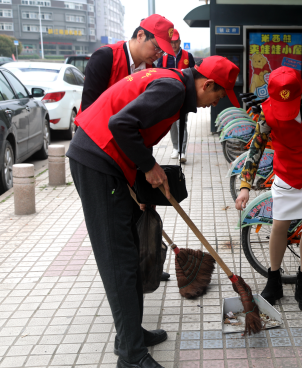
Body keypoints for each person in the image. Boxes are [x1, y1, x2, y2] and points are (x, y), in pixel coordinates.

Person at [67, 56, 240, 368]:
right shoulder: (172, 89)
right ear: (207, 84)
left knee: (130, 252)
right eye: (219, 96)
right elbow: (119, 124)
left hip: (110, 165)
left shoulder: (174, 85)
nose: (215, 103)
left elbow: (133, 129)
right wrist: (148, 167)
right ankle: (131, 356)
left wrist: (136, 183)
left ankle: (131, 334)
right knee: (118, 260)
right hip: (96, 162)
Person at [235, 67, 302, 312]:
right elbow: (256, 147)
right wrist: (245, 185)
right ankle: (274, 280)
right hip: (288, 170)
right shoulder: (266, 111)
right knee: (280, 225)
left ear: (301, 91)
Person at [80, 14, 175, 285]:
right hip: (100, 153)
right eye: (156, 47)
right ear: (141, 35)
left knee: (143, 207)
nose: (157, 55)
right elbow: (89, 112)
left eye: (162, 52)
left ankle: (148, 263)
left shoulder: (149, 69)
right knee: (119, 216)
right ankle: (125, 274)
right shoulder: (105, 58)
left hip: (129, 149)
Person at [160, 29, 196, 163]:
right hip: (168, 95)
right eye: (172, 42)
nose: (174, 45)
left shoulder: (188, 56)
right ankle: (175, 147)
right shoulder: (163, 57)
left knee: (181, 122)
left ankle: (182, 150)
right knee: (171, 123)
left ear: (180, 42)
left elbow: (194, 74)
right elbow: (158, 73)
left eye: (176, 42)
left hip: (183, 94)